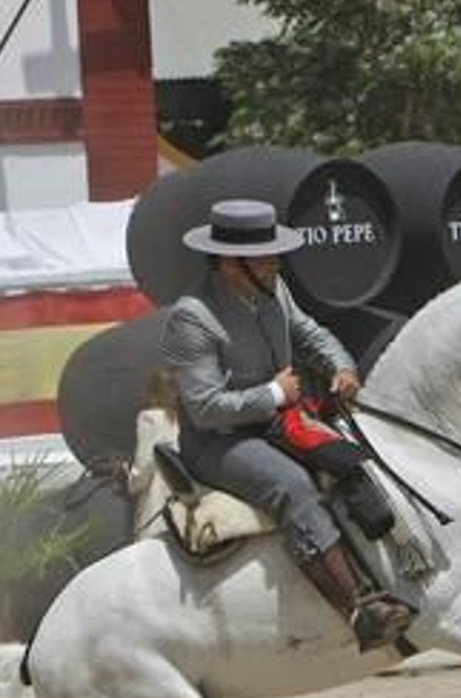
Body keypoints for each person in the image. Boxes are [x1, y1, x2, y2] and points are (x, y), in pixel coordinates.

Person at [161, 198, 416, 652]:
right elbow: (204, 408)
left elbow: (311, 334)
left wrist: (342, 367)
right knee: (292, 485)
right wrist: (276, 394)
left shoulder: (274, 288)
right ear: (228, 262)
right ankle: (358, 609)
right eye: (264, 256)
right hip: (220, 442)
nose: (275, 262)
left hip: (281, 421)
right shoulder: (191, 317)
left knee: (349, 458)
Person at [129, 366, 180, 537]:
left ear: (153, 394)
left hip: (158, 508)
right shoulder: (192, 419)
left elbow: (144, 464)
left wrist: (130, 480)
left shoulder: (150, 418)